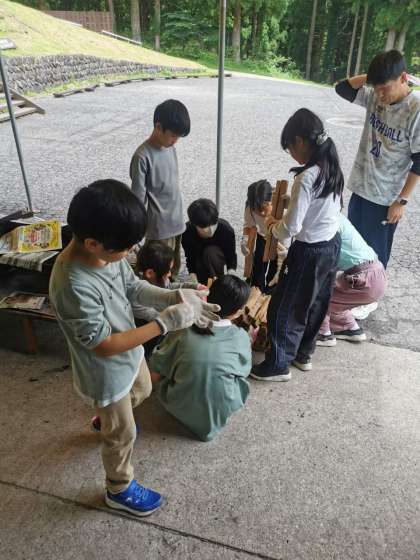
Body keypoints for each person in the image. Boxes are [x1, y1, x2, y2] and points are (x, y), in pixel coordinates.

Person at [49, 179, 220, 517]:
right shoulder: (72, 283)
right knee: (123, 435)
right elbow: (102, 345)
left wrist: (174, 295)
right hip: (104, 371)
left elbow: (133, 287)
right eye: (125, 248)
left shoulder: (105, 253)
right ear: (93, 243)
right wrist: (163, 324)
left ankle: (107, 419)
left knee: (142, 389)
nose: (129, 253)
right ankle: (119, 488)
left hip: (129, 351)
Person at [250, 109, 343, 382]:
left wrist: (271, 225)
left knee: (283, 306)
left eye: (289, 147)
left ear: (300, 141)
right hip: (331, 245)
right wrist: (291, 205)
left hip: (309, 251)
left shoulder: (306, 177)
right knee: (316, 302)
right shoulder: (331, 166)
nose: (291, 153)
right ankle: (303, 354)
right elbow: (318, 206)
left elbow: (290, 228)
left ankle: (278, 363)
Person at [335, 50, 420, 270]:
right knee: (353, 251)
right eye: (376, 88)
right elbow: (342, 88)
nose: (380, 95)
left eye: (385, 88)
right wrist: (373, 78)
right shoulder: (374, 95)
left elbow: (419, 161)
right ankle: (352, 286)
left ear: (403, 78)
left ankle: (370, 290)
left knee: (374, 259)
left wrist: (401, 201)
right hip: (360, 187)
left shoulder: (415, 109)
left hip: (385, 198)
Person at [149, 275, 252, 442]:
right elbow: (243, 371)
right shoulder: (241, 337)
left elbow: (157, 368)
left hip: (177, 406)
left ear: (207, 297)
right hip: (218, 413)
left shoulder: (183, 327)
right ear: (238, 312)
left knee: (164, 362)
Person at [130, 99, 191, 279]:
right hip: (159, 229)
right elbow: (138, 200)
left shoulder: (170, 148)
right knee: (157, 274)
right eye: (173, 135)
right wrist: (134, 232)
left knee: (173, 270)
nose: (175, 141)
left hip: (176, 222)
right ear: (158, 126)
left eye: (179, 137)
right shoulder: (142, 156)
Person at [317, 214, 387, 346]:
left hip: (362, 279)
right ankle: (350, 329)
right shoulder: (336, 215)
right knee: (338, 297)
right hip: (376, 274)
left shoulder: (326, 221)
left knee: (320, 295)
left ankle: (323, 335)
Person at [133, 240, 206, 357]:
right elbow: (157, 317)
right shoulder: (136, 297)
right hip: (148, 336)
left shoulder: (159, 279)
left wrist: (194, 287)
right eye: (167, 271)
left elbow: (170, 287)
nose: (170, 275)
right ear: (150, 273)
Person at [241, 179, 287, 292]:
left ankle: (270, 292)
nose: (261, 213)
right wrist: (244, 240)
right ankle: (257, 289)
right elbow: (248, 226)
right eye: (257, 210)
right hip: (263, 237)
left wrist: (285, 251)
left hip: (281, 242)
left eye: (264, 208)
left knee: (276, 269)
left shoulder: (282, 207)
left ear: (271, 201)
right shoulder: (250, 208)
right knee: (258, 266)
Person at [181, 198, 237, 284]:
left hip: (216, 258)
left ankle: (218, 282)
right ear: (194, 225)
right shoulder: (187, 232)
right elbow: (190, 257)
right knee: (202, 280)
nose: (211, 230)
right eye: (205, 227)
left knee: (211, 252)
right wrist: (192, 276)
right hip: (198, 258)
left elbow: (231, 256)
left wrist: (231, 274)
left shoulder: (226, 230)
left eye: (214, 224)